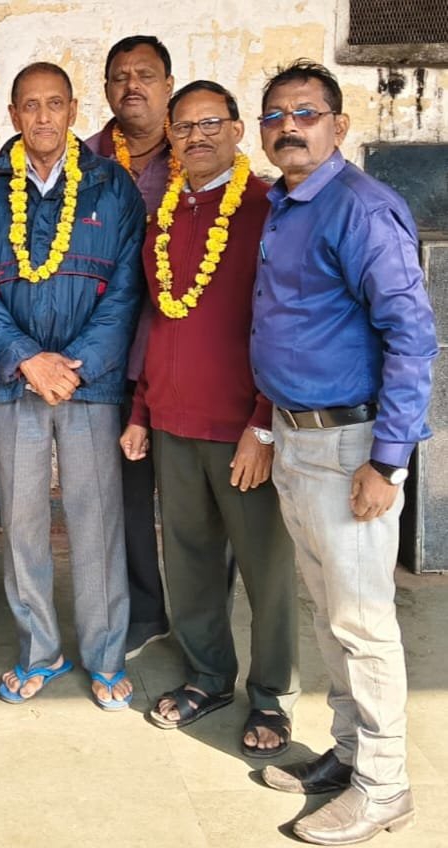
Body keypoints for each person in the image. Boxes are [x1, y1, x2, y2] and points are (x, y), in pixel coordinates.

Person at [250, 60, 437, 846]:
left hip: (350, 445)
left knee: (363, 624)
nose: (289, 125)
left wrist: (387, 461)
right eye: (276, 115)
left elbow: (413, 334)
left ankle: (386, 788)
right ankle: (352, 753)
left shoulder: (362, 209)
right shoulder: (283, 204)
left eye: (306, 112)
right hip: (298, 439)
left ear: (338, 125)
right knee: (330, 612)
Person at [0, 62, 144, 710]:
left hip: (90, 386)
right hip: (14, 383)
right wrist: (27, 359)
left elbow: (125, 291)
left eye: (53, 104)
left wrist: (77, 364)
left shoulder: (111, 187)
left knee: (96, 523)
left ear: (71, 110)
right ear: (12, 115)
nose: (42, 117)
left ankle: (106, 656)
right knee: (25, 524)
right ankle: (41, 652)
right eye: (29, 105)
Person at [119, 80, 298, 757]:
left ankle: (273, 696)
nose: (196, 136)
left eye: (210, 123)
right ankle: (208, 676)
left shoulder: (266, 209)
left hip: (244, 430)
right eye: (184, 126)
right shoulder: (163, 213)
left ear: (237, 131)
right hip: (171, 421)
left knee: (265, 568)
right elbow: (157, 321)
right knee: (188, 560)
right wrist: (140, 409)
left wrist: (263, 424)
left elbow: (279, 326)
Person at [86, 35, 176, 658]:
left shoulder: (201, 150)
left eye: (145, 74)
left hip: (189, 357)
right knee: (126, 495)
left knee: (203, 503)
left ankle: (205, 617)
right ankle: (145, 612)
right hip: (115, 358)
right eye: (119, 77)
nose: (132, 85)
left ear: (168, 84)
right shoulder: (86, 157)